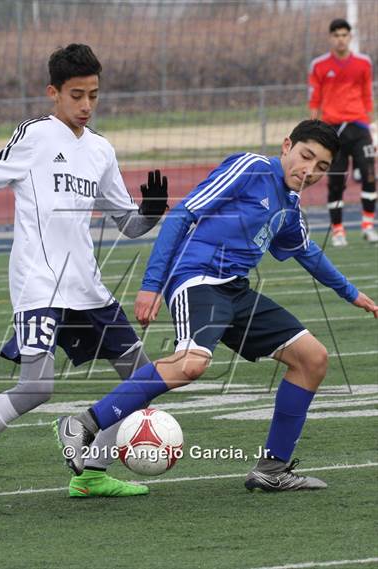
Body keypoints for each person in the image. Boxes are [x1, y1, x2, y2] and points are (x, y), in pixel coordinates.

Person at [54, 119, 378, 492]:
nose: (310, 171)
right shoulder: (251, 168)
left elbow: (308, 252)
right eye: (306, 157)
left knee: (313, 359)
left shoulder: (289, 205)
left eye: (321, 167)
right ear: (287, 146)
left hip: (236, 291)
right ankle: (82, 425)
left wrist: (351, 293)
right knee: (191, 364)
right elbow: (182, 214)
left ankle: (273, 468)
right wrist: (151, 285)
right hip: (199, 281)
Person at [0, 44, 169, 498]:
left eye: (93, 94)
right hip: (41, 283)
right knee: (36, 387)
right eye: (77, 95)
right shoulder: (35, 135)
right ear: (53, 92)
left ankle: (91, 471)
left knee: (145, 381)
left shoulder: (100, 151)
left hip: (87, 287)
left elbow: (127, 223)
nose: (87, 106)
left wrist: (151, 212)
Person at [308, 18, 378, 246]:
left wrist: (371, 124)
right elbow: (314, 100)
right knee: (336, 182)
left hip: (359, 129)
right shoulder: (319, 65)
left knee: (369, 176)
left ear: (350, 37)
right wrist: (313, 132)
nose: (341, 39)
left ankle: (368, 226)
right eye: (336, 35)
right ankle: (338, 231)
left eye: (344, 35)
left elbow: (367, 95)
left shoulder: (363, 63)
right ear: (331, 38)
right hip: (332, 131)